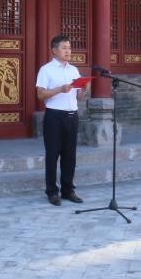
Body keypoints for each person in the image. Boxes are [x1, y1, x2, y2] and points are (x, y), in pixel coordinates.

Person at [36, 34, 87, 206]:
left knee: (69, 156)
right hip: (54, 117)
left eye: (69, 48)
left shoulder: (74, 70)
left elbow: (78, 97)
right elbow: (40, 94)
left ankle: (68, 190)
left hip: (72, 116)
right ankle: (52, 192)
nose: (68, 51)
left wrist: (84, 89)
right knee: (52, 155)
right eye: (64, 48)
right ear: (54, 50)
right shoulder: (46, 70)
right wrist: (60, 89)